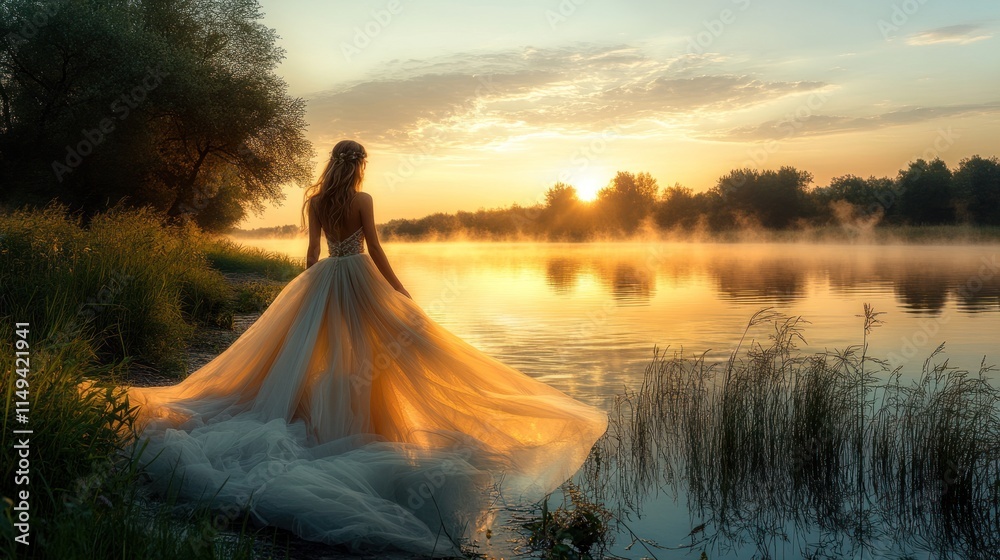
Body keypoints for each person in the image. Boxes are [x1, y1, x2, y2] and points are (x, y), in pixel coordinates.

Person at [125, 140, 608, 556]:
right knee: (374, 355)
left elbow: (313, 252)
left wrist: (305, 289)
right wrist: (398, 290)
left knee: (322, 352)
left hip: (324, 281)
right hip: (359, 280)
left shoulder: (315, 202)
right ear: (357, 166)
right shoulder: (363, 198)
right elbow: (374, 247)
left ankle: (333, 419)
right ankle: (362, 423)